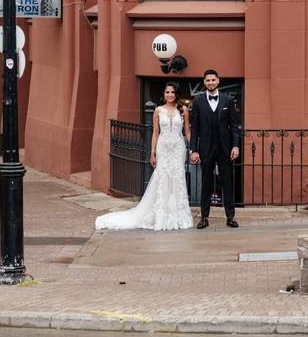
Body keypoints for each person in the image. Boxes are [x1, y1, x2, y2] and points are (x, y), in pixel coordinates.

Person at [96, 83, 194, 231]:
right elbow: (155, 132)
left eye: (172, 92)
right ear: (164, 94)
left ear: (176, 94)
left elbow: (187, 130)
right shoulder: (158, 110)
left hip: (178, 148)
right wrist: (153, 152)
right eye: (167, 92)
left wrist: (192, 149)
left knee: (177, 179)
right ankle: (161, 217)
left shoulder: (183, 110)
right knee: (162, 178)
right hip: (163, 147)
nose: (169, 95)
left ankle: (178, 217)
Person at [189, 69, 241, 229]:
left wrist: (235, 145)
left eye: (213, 80)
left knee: (227, 183)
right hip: (205, 149)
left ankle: (230, 217)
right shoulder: (197, 101)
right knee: (205, 182)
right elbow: (195, 128)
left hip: (225, 149)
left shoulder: (227, 100)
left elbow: (234, 126)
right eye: (208, 80)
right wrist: (194, 150)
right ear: (204, 82)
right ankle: (204, 217)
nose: (210, 82)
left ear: (218, 81)